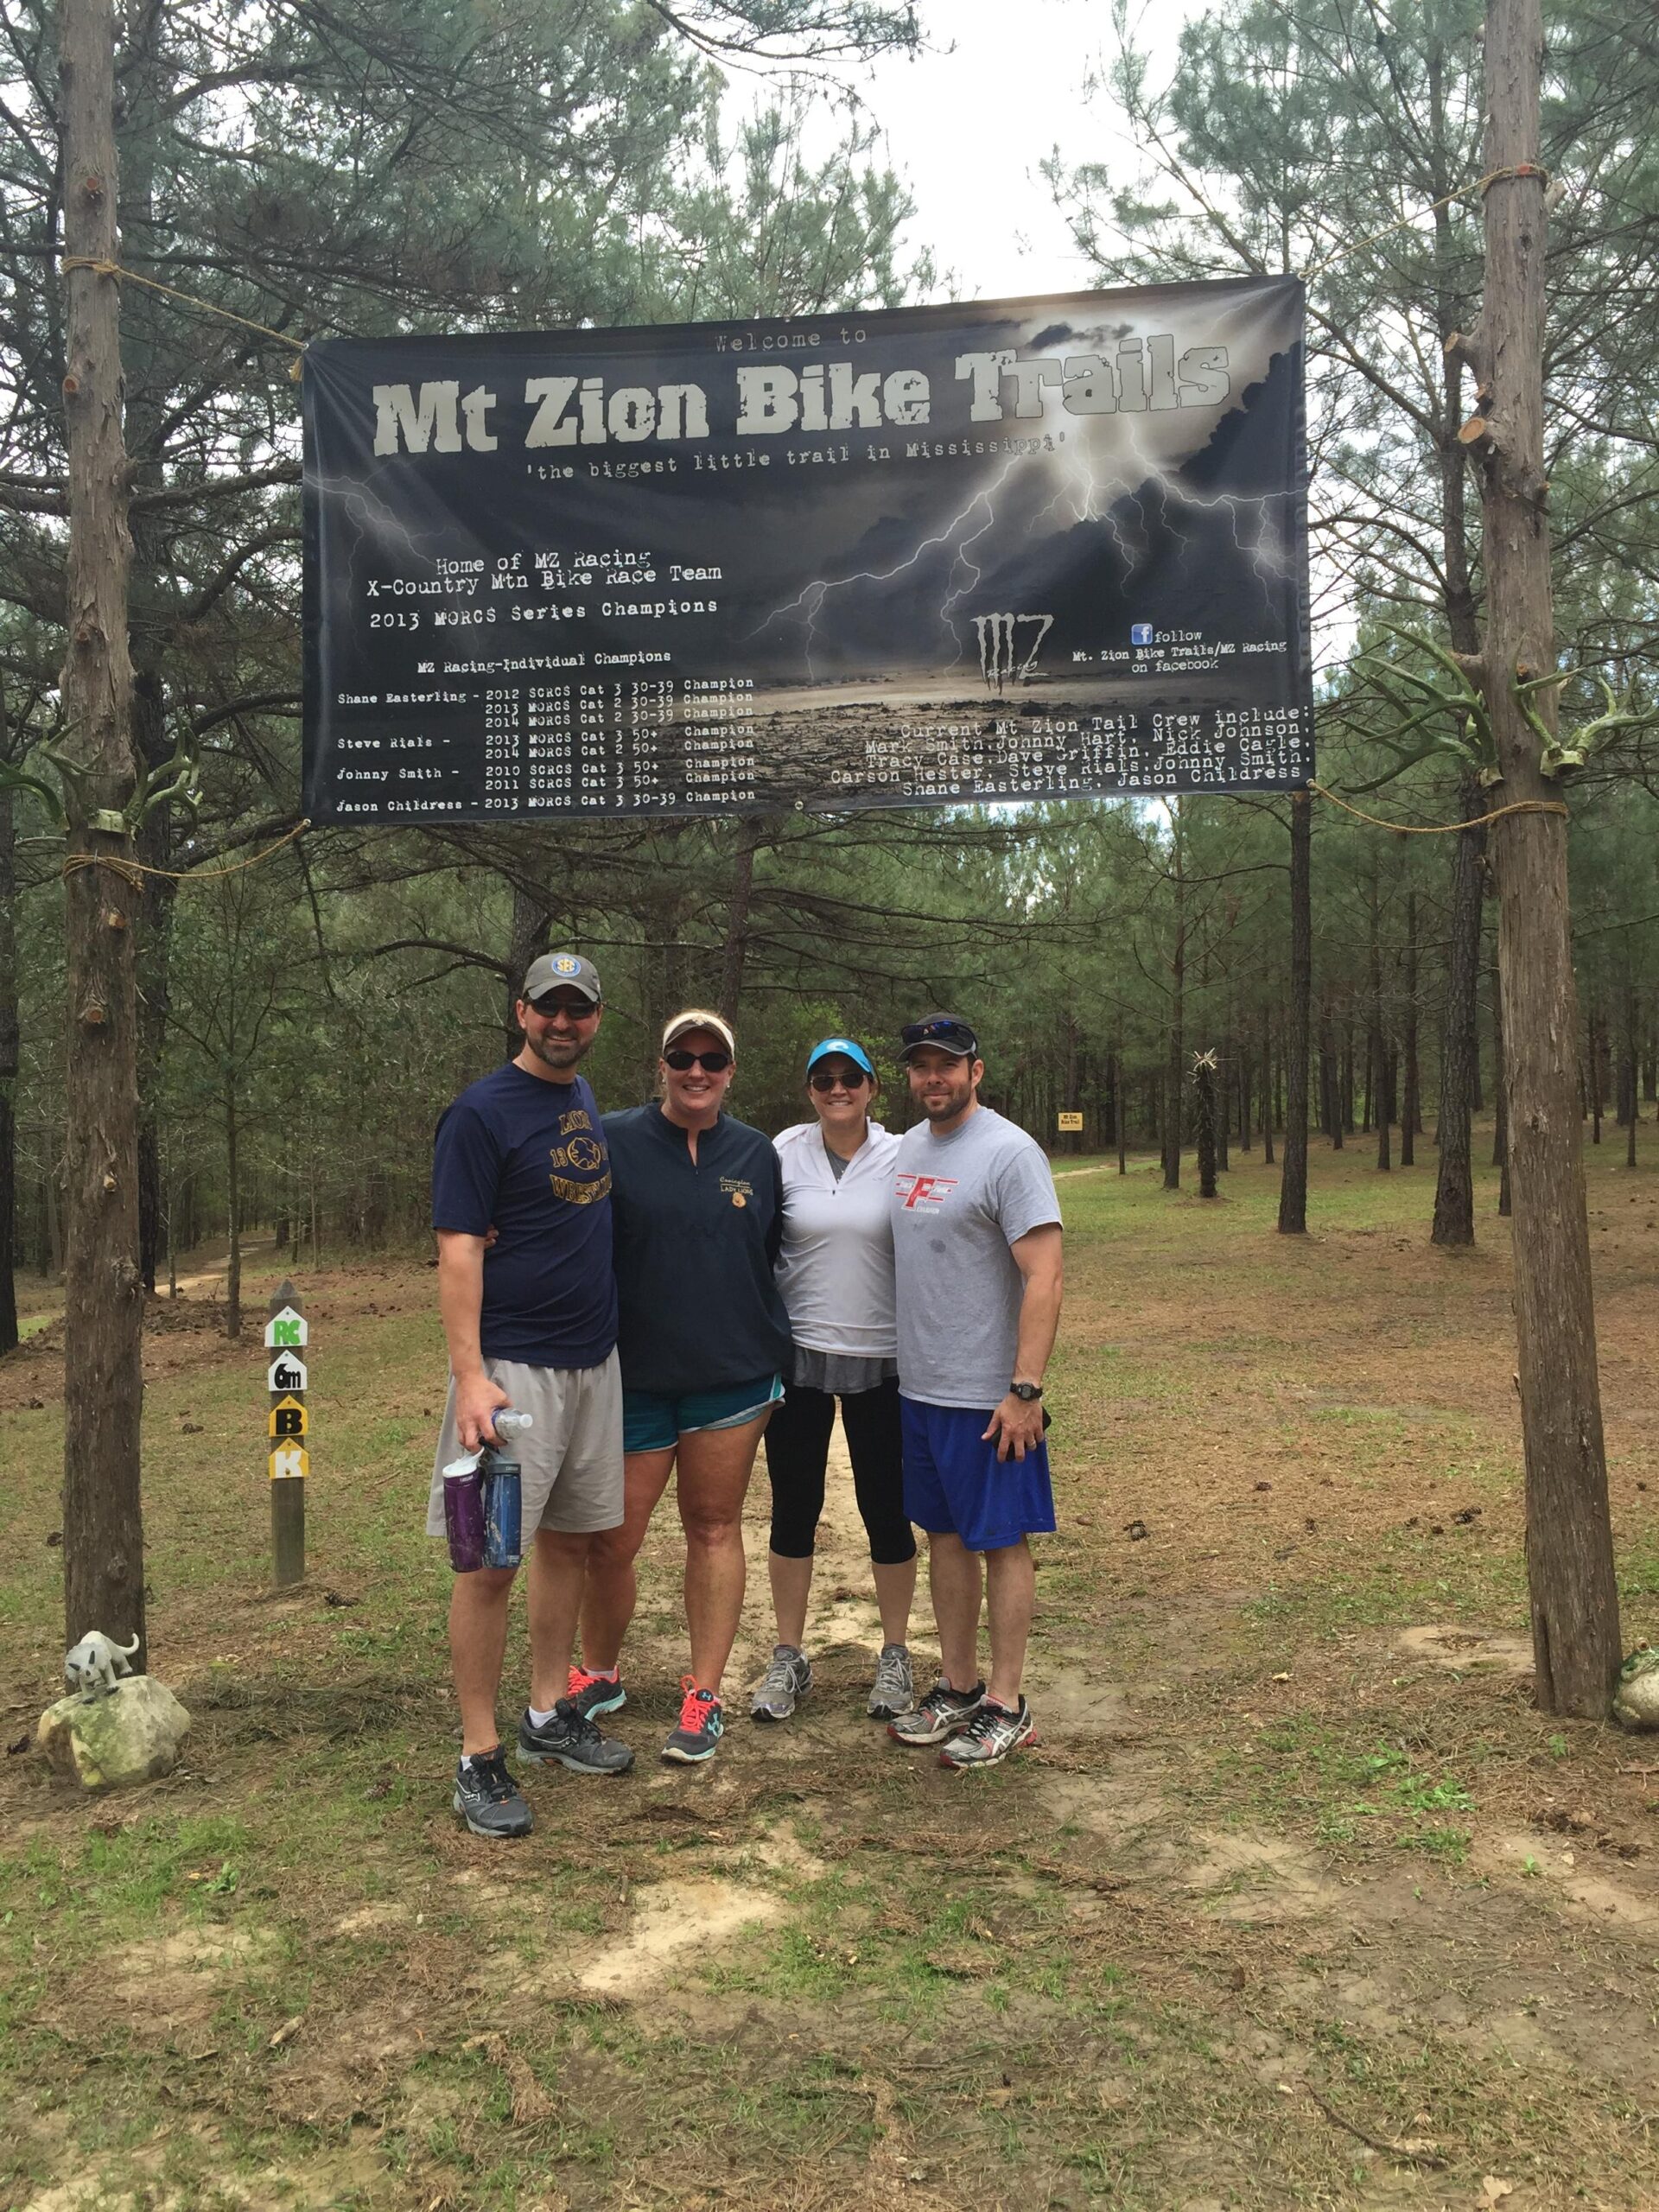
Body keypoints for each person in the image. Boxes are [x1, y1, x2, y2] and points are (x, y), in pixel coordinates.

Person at [427, 952, 633, 1840]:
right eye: (548, 1008)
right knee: (488, 1562)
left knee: (574, 1545)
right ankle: (478, 1756)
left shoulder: (580, 1100)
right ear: (521, 1012)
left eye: (577, 1010)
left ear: (595, 1018)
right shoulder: (479, 1113)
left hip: (594, 1365)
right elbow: (459, 1247)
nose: (562, 1023)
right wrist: (471, 1374)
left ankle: (549, 1713)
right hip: (511, 1378)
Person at [579, 1010, 791, 1764]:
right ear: (661, 1066)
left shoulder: (757, 1154)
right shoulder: (612, 1137)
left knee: (712, 1527)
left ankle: (704, 1695)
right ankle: (598, 1676)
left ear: (731, 1071)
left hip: (729, 1377)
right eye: (682, 1057)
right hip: (632, 1375)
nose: (696, 1071)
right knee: (613, 1540)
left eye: (712, 1059)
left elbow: (768, 1250)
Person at [885, 1014, 1063, 1769]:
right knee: (945, 1538)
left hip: (988, 1398)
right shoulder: (907, 1151)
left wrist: (1024, 1389)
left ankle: (1008, 1702)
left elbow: (1045, 1275)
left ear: (976, 1072)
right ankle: (958, 1686)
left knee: (1001, 1542)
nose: (934, 1077)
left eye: (947, 1065)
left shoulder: (1009, 1153)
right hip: (920, 1389)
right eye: (922, 1065)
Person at [753, 1037, 916, 1724]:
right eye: (825, 1078)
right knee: (795, 1507)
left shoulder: (907, 1153)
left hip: (887, 1356)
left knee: (886, 1506)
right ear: (810, 1088)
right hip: (800, 1357)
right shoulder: (780, 1152)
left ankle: (898, 1653)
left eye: (852, 1078)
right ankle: (789, 1654)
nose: (838, 1088)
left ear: (874, 1088)